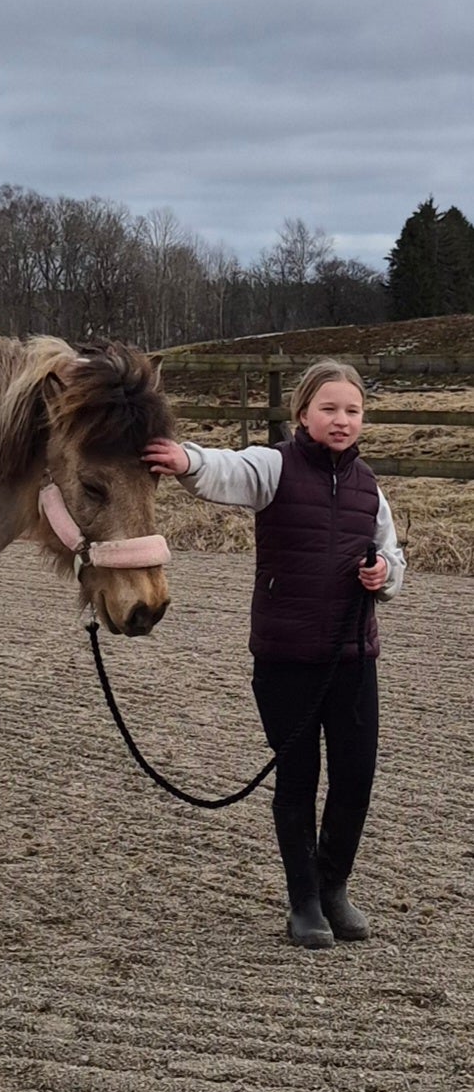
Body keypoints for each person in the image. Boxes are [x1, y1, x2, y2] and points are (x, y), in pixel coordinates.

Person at [142, 362, 406, 949]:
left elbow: (394, 558)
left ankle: (335, 887)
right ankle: (304, 901)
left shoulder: (370, 487)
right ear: (303, 414)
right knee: (299, 776)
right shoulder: (274, 465)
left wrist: (385, 574)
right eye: (329, 409)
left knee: (356, 776)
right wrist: (186, 459)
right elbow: (225, 469)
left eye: (353, 411)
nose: (342, 420)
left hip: (353, 657)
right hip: (287, 657)